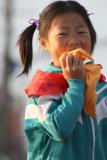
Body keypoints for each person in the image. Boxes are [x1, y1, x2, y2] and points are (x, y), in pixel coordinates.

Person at [17, 1, 107, 160]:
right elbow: (59, 129)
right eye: (62, 34)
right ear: (44, 42)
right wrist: (76, 84)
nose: (74, 41)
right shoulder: (42, 89)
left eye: (81, 32)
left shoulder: (100, 88)